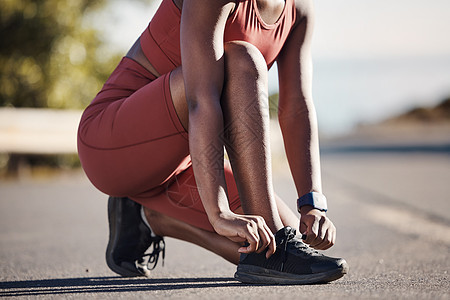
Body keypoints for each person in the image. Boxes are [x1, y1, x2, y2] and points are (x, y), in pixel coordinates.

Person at [77, 0, 348, 284]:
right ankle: (275, 237)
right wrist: (219, 212)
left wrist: (312, 203)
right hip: (112, 145)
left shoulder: (299, 10)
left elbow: (296, 107)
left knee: (268, 247)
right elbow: (201, 99)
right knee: (241, 59)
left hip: (180, 162)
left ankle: (147, 217)